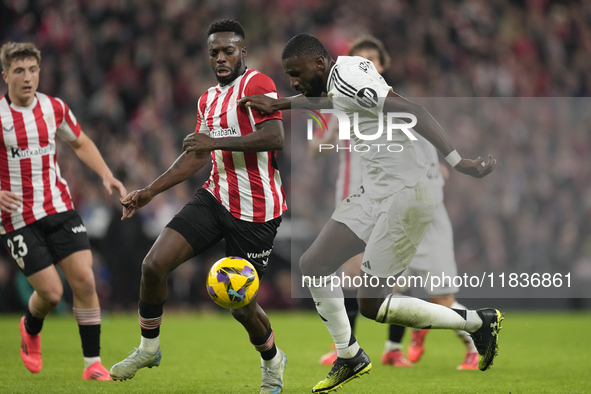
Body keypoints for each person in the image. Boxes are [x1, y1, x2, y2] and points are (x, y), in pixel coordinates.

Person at [240, 33, 501, 393]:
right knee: (314, 264)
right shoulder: (337, 76)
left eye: (295, 73)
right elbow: (329, 100)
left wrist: (457, 162)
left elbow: (415, 110)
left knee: (371, 305)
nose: (293, 81)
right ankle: (350, 355)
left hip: (407, 196)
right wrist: (280, 104)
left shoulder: (347, 78)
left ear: (318, 63)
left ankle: (476, 322)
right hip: (376, 192)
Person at [109, 19, 288, 393]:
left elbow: (275, 137)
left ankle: (273, 362)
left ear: (243, 52)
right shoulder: (207, 99)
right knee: (153, 265)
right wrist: (149, 191)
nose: (220, 58)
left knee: (241, 307)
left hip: (257, 212)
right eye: (214, 53)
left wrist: (217, 145)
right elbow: (195, 156)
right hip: (215, 196)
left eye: (228, 51)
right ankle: (149, 348)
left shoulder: (258, 84)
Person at [314, 36, 479, 371]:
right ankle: (367, 347)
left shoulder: (390, 108)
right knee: (368, 282)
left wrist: (444, 167)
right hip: (369, 201)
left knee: (427, 292)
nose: (366, 63)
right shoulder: (340, 103)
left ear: (382, 65)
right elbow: (316, 145)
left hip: (405, 204)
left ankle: (461, 335)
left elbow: (418, 134)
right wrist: (324, 138)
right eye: (361, 58)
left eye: (372, 58)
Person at [0, 42, 126, 380]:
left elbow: (80, 142)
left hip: (59, 207)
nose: (28, 77)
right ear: (6, 76)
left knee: (85, 280)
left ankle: (92, 365)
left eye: (33, 70)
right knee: (52, 293)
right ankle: (30, 326)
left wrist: (105, 173)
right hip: (18, 218)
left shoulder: (54, 108)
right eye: (19, 71)